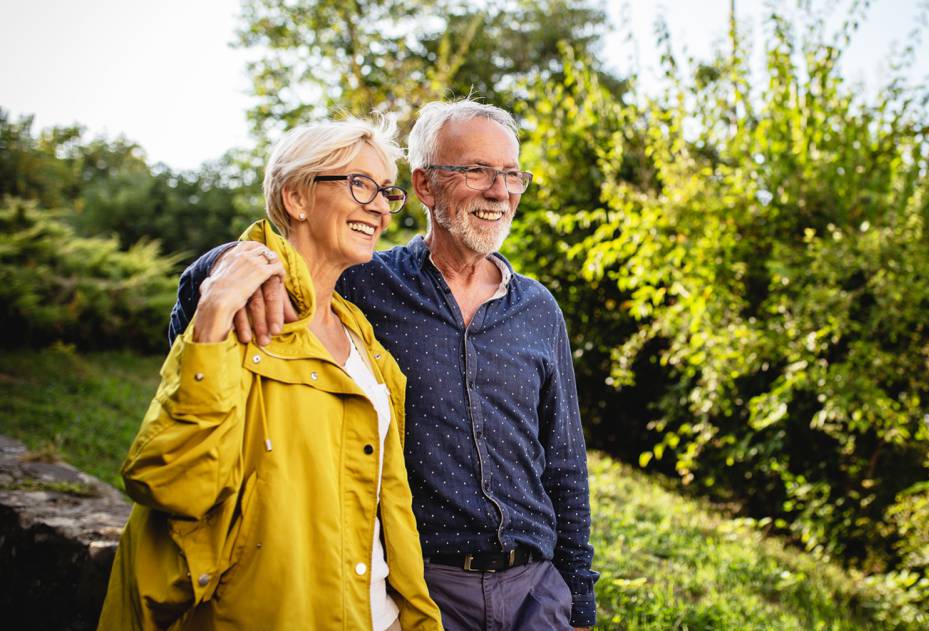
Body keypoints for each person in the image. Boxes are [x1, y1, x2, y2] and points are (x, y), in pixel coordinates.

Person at [169, 100, 598, 630]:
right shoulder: (365, 282)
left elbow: (564, 459)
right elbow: (197, 311)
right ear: (424, 186)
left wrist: (577, 597)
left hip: (537, 592)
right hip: (425, 584)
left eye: (512, 175)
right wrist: (229, 261)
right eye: (478, 171)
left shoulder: (537, 308)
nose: (500, 191)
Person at [98, 117, 443, 630]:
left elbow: (386, 508)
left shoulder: (365, 343)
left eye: (386, 192)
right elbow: (174, 482)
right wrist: (213, 312)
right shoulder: (243, 318)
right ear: (296, 198)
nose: (379, 206)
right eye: (359, 184)